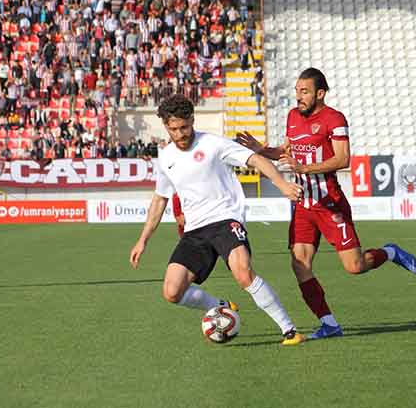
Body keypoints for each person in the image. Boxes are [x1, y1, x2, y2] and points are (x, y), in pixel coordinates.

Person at [236, 68, 416, 340]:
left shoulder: (334, 119)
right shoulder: (293, 116)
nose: (298, 96)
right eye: (297, 91)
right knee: (299, 264)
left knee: (355, 266)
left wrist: (305, 168)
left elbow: (343, 159)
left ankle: (390, 252)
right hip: (303, 204)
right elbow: (286, 152)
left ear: (320, 93)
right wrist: (261, 150)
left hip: (330, 203)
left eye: (305, 91)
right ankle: (329, 323)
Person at [129, 94, 305, 346]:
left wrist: (283, 185)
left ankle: (289, 330)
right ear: (166, 127)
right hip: (195, 231)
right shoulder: (166, 158)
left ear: (192, 120)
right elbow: (159, 200)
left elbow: (255, 159)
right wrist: (142, 240)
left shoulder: (213, 144)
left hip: (225, 219)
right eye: (174, 129)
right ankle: (220, 306)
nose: (180, 134)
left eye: (184, 127)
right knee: (172, 292)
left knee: (243, 272)